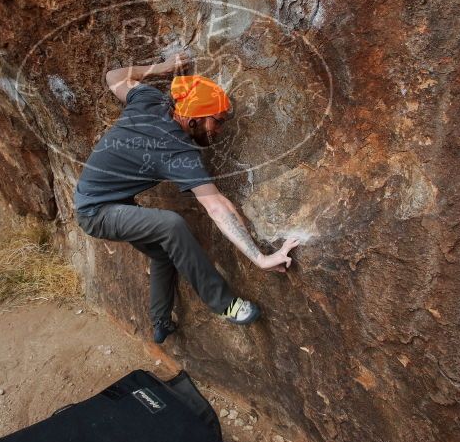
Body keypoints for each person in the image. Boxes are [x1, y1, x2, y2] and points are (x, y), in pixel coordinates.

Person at [74, 54, 299, 343]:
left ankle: (161, 321)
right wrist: (260, 258)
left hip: (107, 200)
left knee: (163, 252)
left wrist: (164, 68)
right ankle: (225, 304)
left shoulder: (149, 100)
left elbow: (114, 78)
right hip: (95, 211)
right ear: (193, 119)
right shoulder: (179, 153)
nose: (218, 131)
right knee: (170, 225)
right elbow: (216, 206)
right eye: (215, 122)